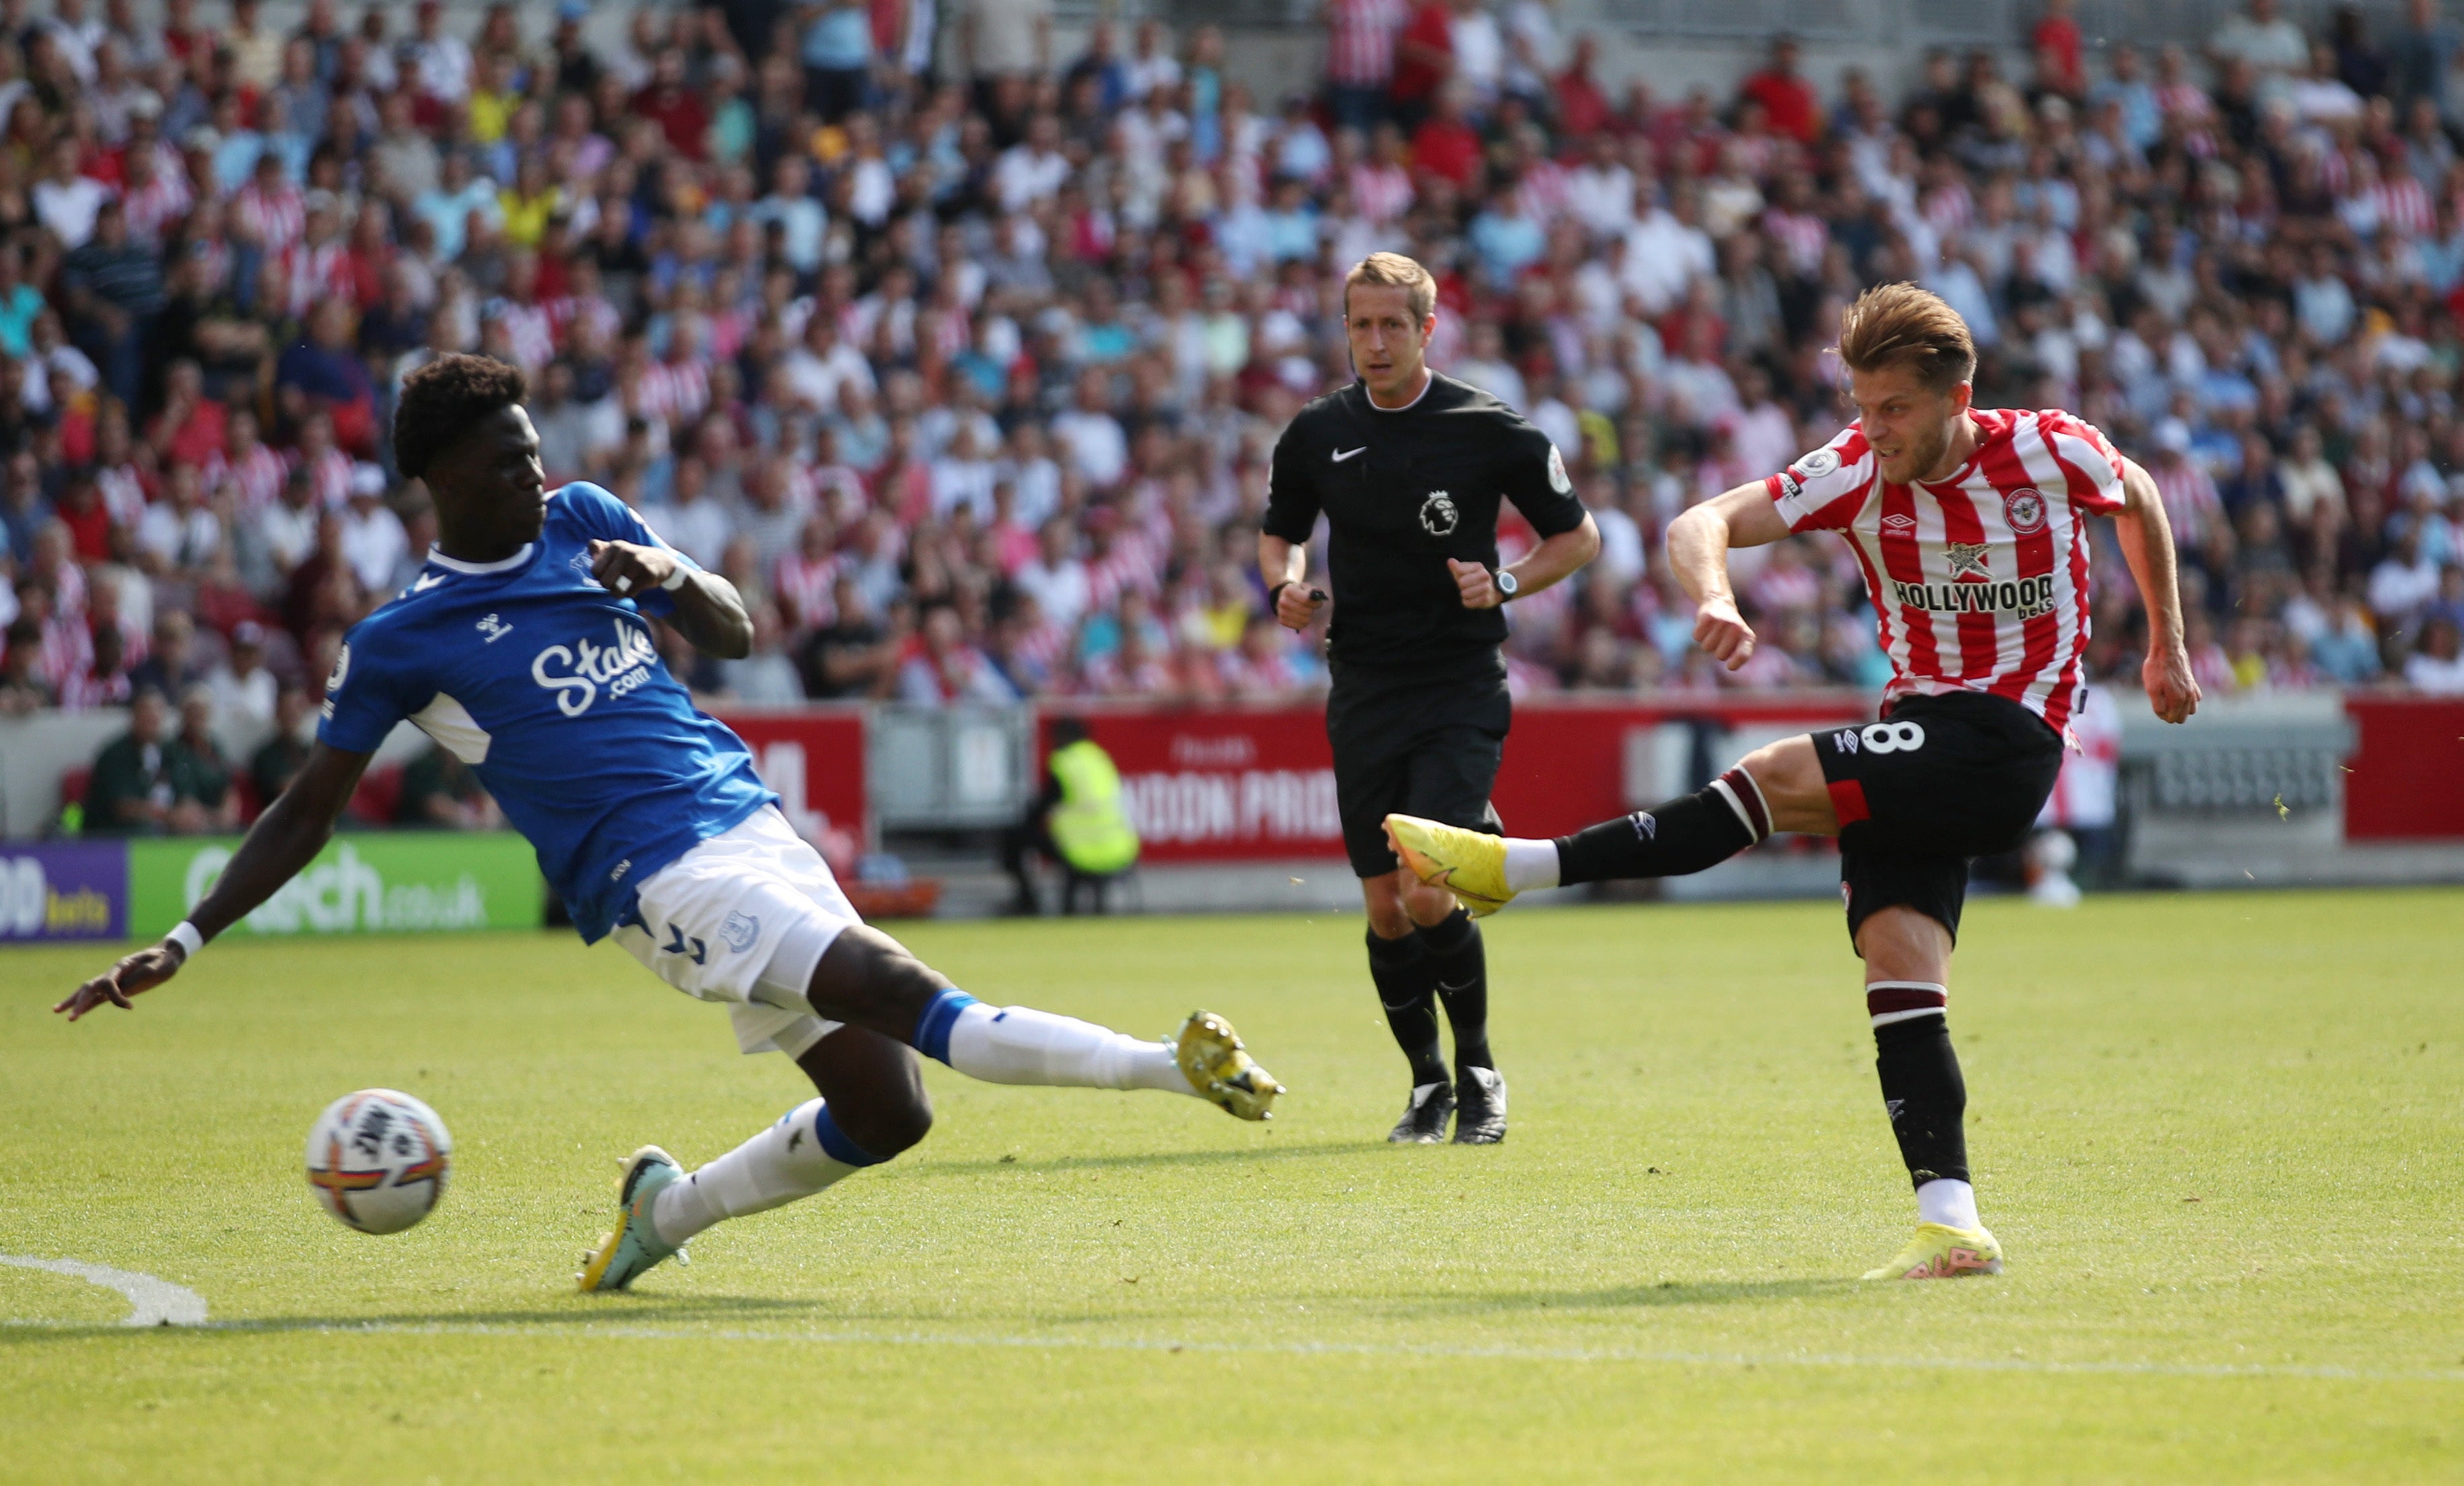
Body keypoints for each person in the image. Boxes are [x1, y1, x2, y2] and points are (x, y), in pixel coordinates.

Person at [57, 354, 1284, 1295]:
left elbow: (738, 629)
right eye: (506, 463)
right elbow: (304, 811)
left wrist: (674, 579)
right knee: (903, 985)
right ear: (439, 481)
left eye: (536, 452)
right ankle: (1167, 1064)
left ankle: (667, 1212)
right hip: (656, 879)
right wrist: (191, 933)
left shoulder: (587, 518)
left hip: (749, 821)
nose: (534, 476)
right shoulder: (403, 640)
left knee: (888, 1113)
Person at [1385, 283, 2201, 1278]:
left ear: (1958, 396)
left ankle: (1524, 867)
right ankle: (1952, 1222)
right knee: (1899, 971)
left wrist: (2167, 642)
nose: (1874, 427)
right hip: (1920, 732)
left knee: (1773, 773)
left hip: (2012, 734)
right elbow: (1701, 522)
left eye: (1894, 406)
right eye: (1861, 403)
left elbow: (2142, 495)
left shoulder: (2050, 448)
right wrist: (1717, 596)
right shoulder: (1855, 471)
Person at [1259, 251, 1600, 1144]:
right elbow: (1281, 535)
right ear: (1345, 328)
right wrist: (1285, 586)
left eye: (1391, 325)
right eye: (1359, 324)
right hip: (1364, 687)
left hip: (1458, 684)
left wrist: (1510, 583)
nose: (1374, 342)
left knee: (1423, 888)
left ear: (1427, 330)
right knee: (1383, 904)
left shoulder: (1488, 428)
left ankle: (1482, 1069)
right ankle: (1426, 1083)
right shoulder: (1314, 433)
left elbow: (1578, 537)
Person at [1001, 715, 1140, 915]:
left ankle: (1027, 901)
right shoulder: (1099, 758)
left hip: (1081, 849)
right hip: (1121, 849)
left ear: (1062, 737)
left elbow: (1040, 809)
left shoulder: (1064, 763)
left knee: (1016, 837)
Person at [81, 685, 221, 834]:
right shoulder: (115, 755)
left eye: (158, 710)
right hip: (121, 835)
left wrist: (192, 813)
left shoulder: (174, 751)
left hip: (170, 832)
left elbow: (186, 790)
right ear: (134, 715)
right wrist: (169, 816)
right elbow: (123, 807)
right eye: (146, 711)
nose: (152, 716)